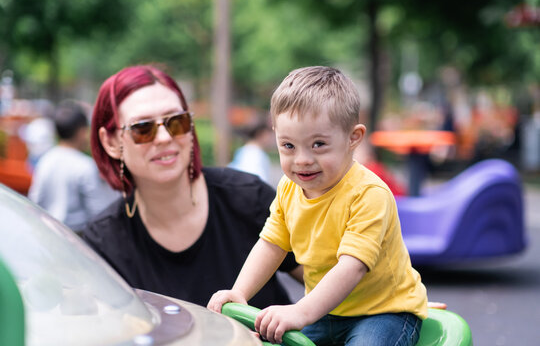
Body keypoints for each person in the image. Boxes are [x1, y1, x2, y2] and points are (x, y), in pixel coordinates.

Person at [208, 66, 428, 345]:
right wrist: (240, 292)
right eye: (288, 146)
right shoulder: (289, 189)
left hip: (384, 311)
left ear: (353, 138)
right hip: (327, 310)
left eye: (318, 144)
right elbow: (271, 244)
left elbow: (352, 266)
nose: (302, 160)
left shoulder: (368, 194)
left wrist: (301, 311)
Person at [81, 65, 302, 309]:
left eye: (176, 121)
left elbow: (333, 289)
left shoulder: (248, 198)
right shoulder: (104, 242)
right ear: (110, 142)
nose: (164, 137)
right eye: (143, 128)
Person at [28, 100, 119, 233]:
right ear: (82, 132)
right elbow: (97, 212)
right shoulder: (85, 166)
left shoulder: (46, 159)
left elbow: (35, 199)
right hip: (75, 238)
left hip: (48, 232)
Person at [228, 118, 275, 184]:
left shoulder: (243, 150)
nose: (273, 138)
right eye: (270, 133)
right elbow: (258, 182)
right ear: (262, 134)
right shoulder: (257, 155)